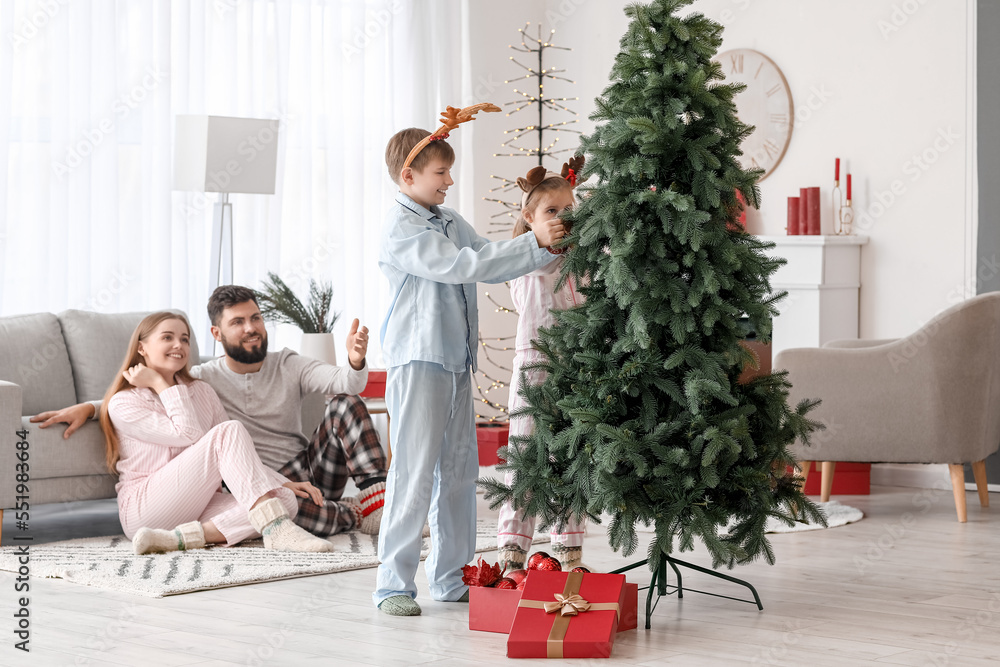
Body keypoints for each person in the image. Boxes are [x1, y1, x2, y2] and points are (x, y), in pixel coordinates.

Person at [373, 107, 567, 617]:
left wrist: (549, 247)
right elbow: (467, 266)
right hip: (418, 361)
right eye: (441, 173)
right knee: (413, 474)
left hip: (457, 361)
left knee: (460, 471)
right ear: (408, 176)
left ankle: (452, 577)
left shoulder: (450, 220)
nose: (450, 181)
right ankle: (392, 584)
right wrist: (535, 242)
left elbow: (489, 251)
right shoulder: (402, 229)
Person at [31, 286, 388, 537]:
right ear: (217, 333)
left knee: (345, 402)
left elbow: (346, 381)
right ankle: (347, 515)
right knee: (282, 509)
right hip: (245, 482)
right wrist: (92, 408)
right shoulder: (203, 378)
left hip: (298, 472)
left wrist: (355, 360)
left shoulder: (284, 365)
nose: (251, 328)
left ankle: (378, 505)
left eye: (256, 318)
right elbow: (139, 400)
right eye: (238, 322)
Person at [101, 311, 332, 554]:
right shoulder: (123, 403)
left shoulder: (202, 391)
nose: (178, 345)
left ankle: (178, 539)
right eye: (167, 338)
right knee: (229, 431)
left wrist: (282, 482)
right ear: (142, 348)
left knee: (284, 499)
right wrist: (159, 383)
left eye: (185, 339)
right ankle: (277, 530)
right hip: (145, 508)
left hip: (197, 505)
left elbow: (232, 453)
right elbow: (187, 433)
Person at [496, 159, 589, 572]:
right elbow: (534, 260)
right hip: (534, 368)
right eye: (551, 211)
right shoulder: (525, 260)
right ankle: (513, 548)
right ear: (528, 217)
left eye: (567, 211)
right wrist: (538, 241)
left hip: (576, 367)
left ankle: (569, 547)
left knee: (572, 456)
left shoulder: (580, 258)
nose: (561, 219)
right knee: (527, 456)